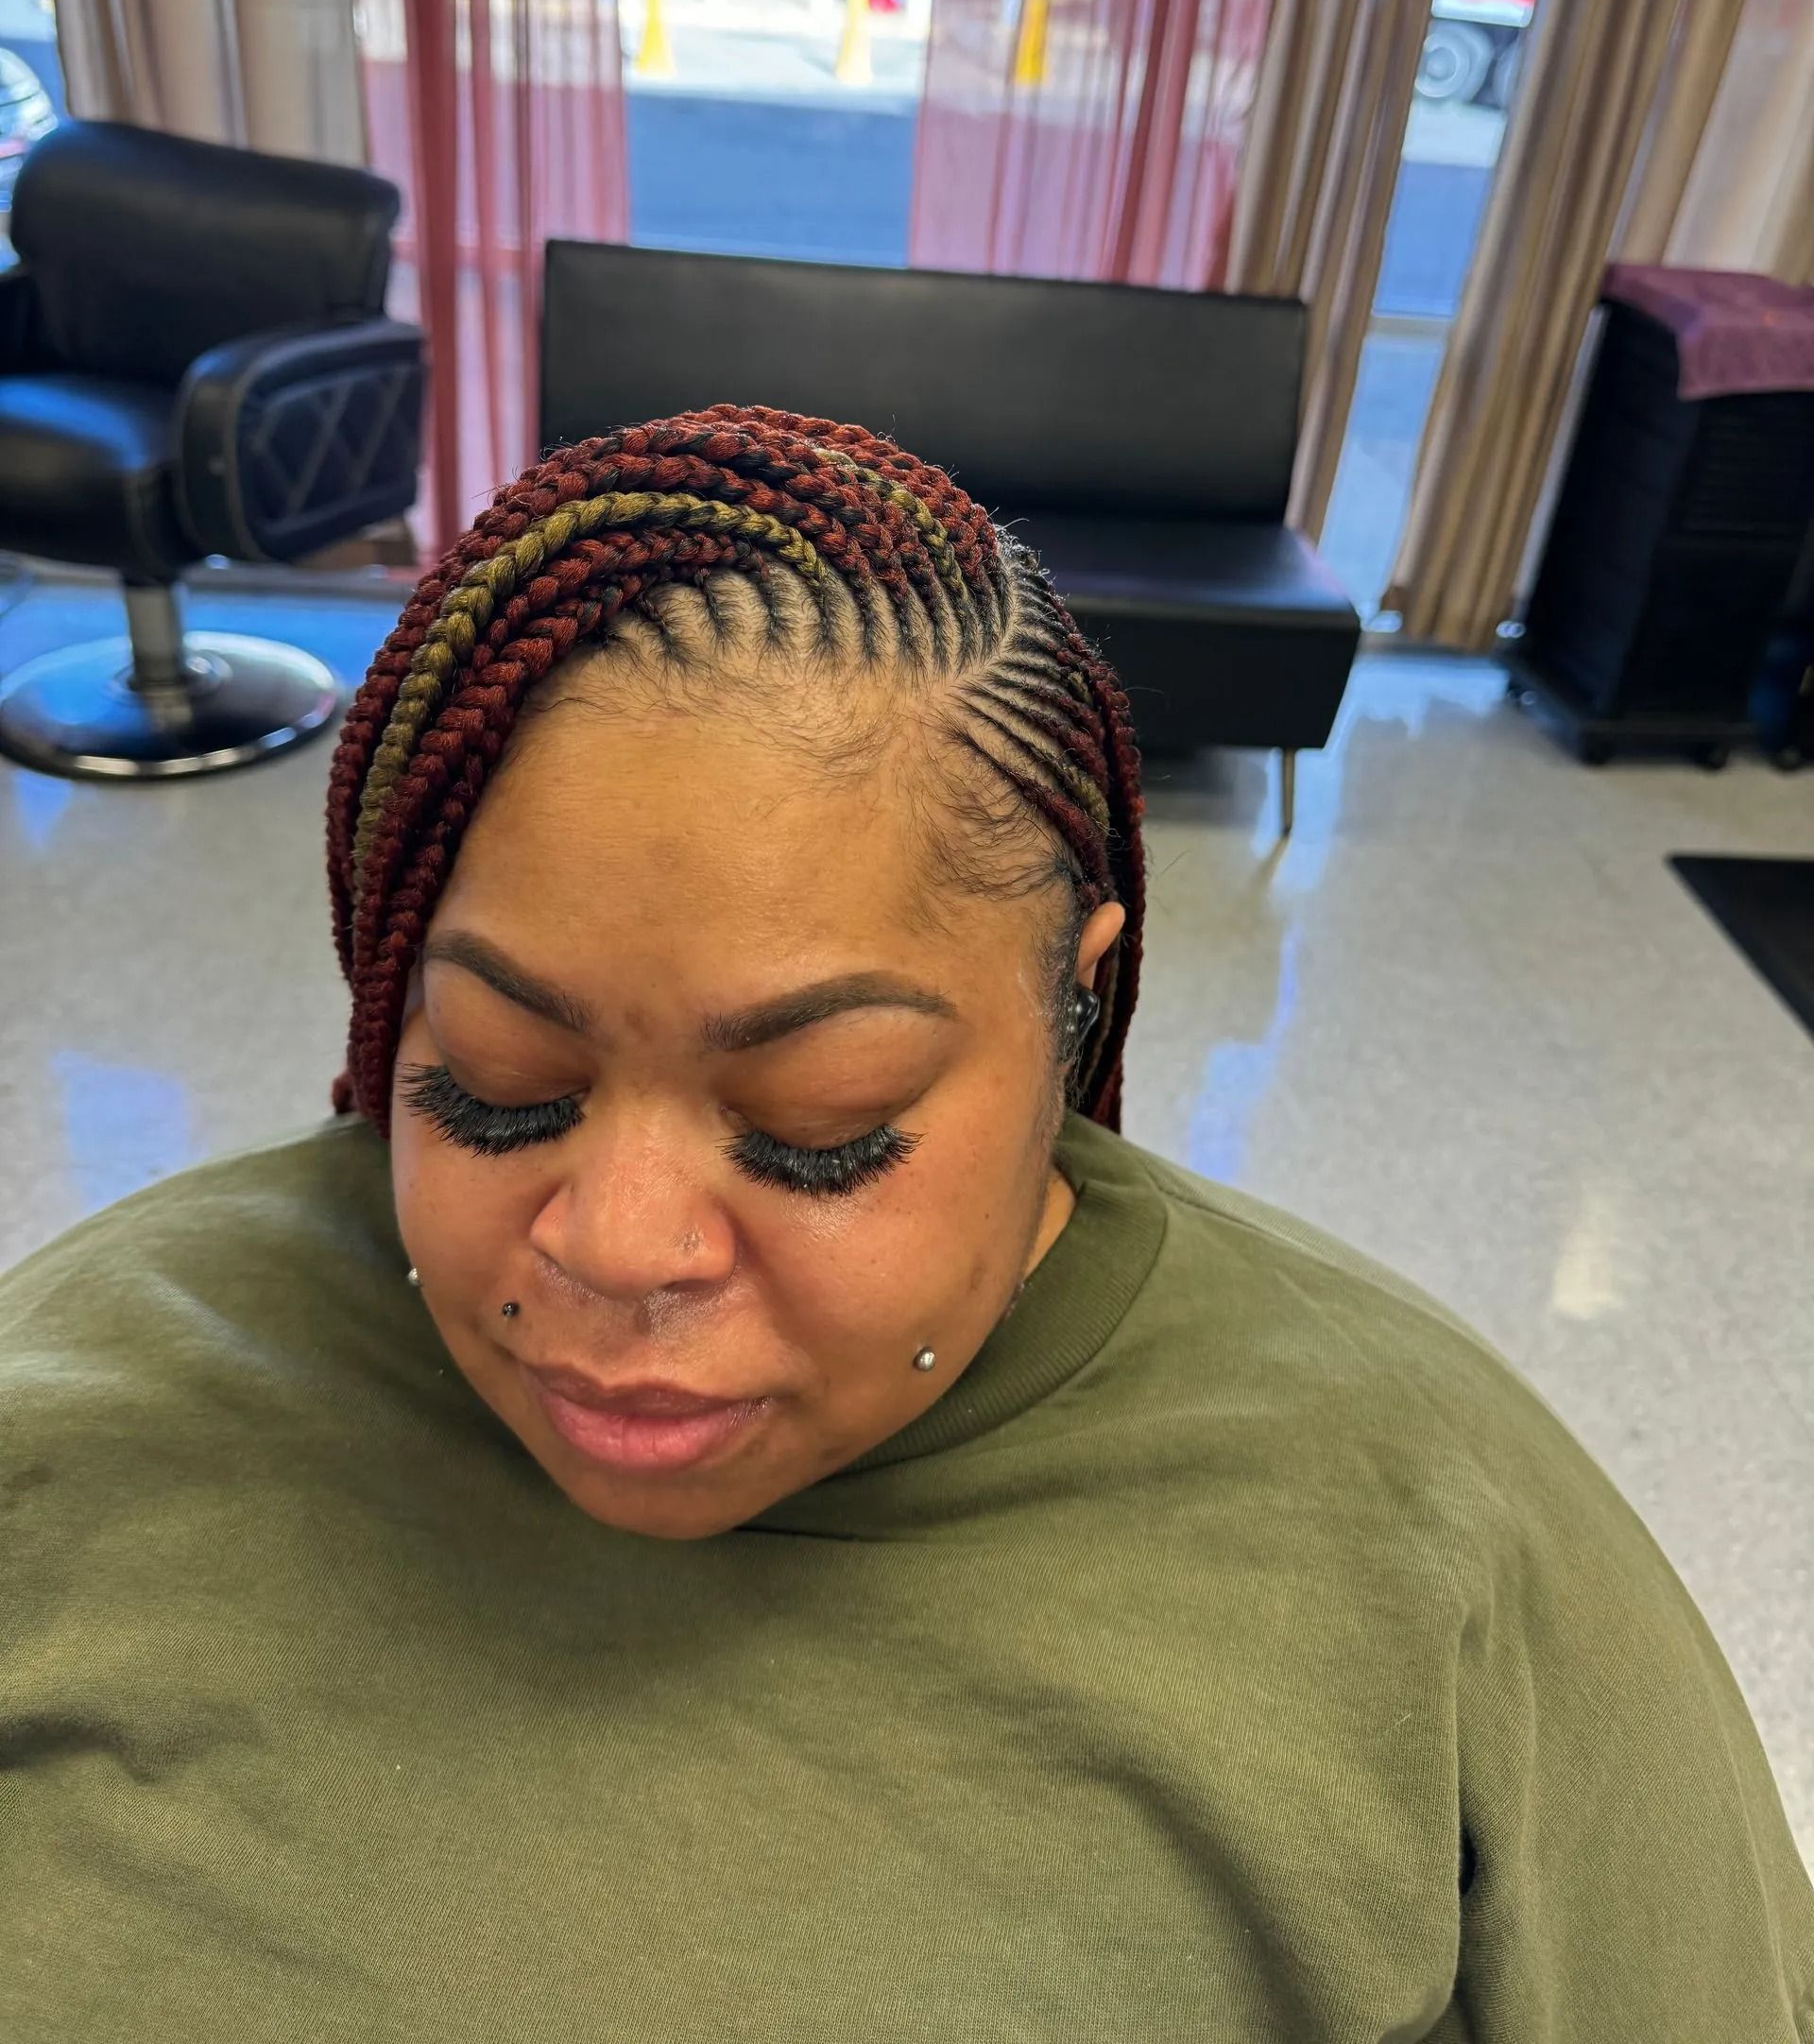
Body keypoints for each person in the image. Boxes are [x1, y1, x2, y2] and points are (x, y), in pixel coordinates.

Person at [3, 405, 1810, 2041]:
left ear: (1073, 1016)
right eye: (491, 1079)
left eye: (821, 1124)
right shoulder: (71, 1421)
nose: (620, 1246)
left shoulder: (1442, 1548)